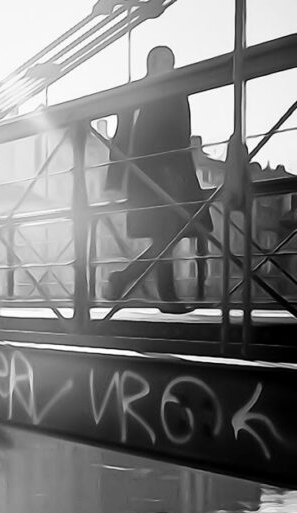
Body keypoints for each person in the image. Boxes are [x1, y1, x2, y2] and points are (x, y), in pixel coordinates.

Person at [104, 45, 212, 313]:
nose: (167, 66)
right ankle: (164, 295)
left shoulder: (172, 88)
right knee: (167, 233)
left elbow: (180, 132)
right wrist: (116, 178)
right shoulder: (149, 90)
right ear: (151, 63)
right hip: (154, 175)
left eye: (170, 61)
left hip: (171, 172)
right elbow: (125, 131)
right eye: (162, 61)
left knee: (170, 234)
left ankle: (128, 280)